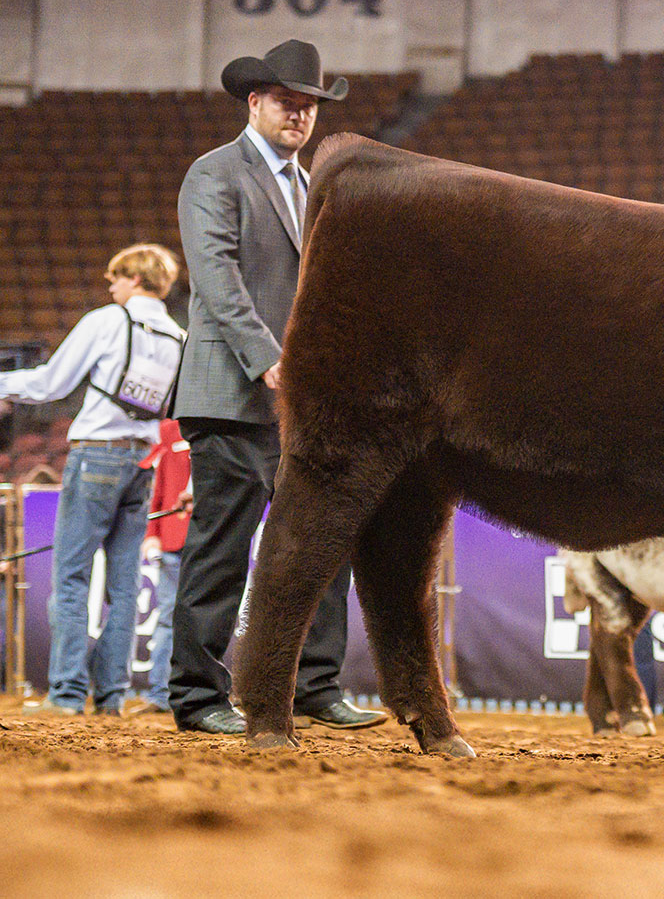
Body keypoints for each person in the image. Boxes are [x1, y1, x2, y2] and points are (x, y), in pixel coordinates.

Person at [171, 39, 384, 735]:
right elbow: (218, 278)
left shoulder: (310, 186)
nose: (300, 113)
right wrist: (270, 359)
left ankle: (317, 683)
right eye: (287, 100)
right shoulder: (214, 173)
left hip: (300, 402)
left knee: (322, 541)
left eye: (310, 104)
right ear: (254, 101)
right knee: (222, 546)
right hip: (233, 395)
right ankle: (198, 695)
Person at [0, 244, 185, 715]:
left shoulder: (108, 320)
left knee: (72, 576)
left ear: (134, 279)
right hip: (142, 461)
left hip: (97, 455)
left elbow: (50, 385)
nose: (111, 286)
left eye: (117, 278)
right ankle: (111, 696)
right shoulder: (177, 336)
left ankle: (65, 693)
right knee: (124, 586)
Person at [137, 418, 192, 714]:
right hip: (172, 539)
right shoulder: (169, 430)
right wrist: (152, 535)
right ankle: (161, 694)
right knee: (168, 618)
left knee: (205, 618)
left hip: (207, 541)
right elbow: (158, 485)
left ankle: (209, 694)